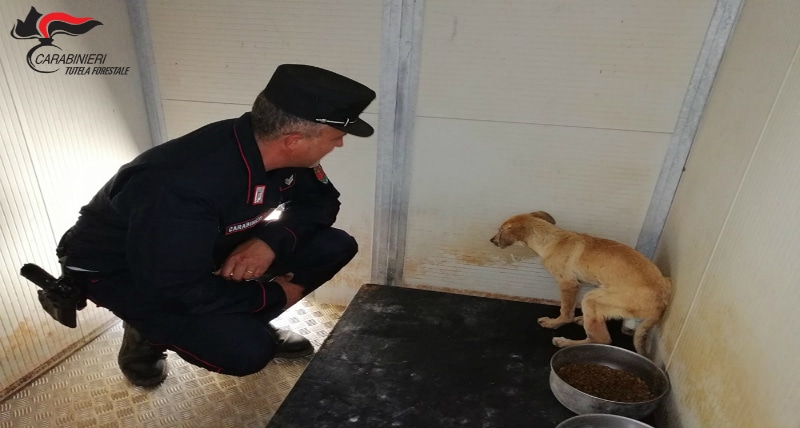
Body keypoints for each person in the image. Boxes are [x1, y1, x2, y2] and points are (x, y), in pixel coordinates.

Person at [55, 64, 376, 387]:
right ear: (293, 140)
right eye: (337, 137)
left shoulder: (273, 146)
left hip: (195, 252)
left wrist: (268, 241)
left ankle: (242, 317)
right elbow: (177, 287)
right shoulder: (181, 184)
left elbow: (320, 203)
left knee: (334, 246)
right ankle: (146, 333)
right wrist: (273, 295)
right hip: (124, 270)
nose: (339, 145)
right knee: (246, 351)